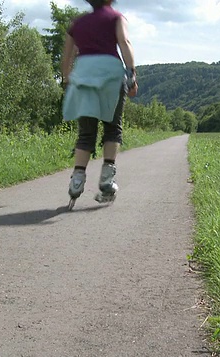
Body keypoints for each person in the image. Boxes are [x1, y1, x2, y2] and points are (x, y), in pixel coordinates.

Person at [61, 0, 138, 205]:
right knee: (113, 127)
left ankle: (76, 181)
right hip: (110, 73)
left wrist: (68, 78)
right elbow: (124, 43)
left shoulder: (77, 23)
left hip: (84, 74)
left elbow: (67, 56)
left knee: (86, 132)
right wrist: (131, 75)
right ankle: (106, 179)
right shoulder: (116, 17)